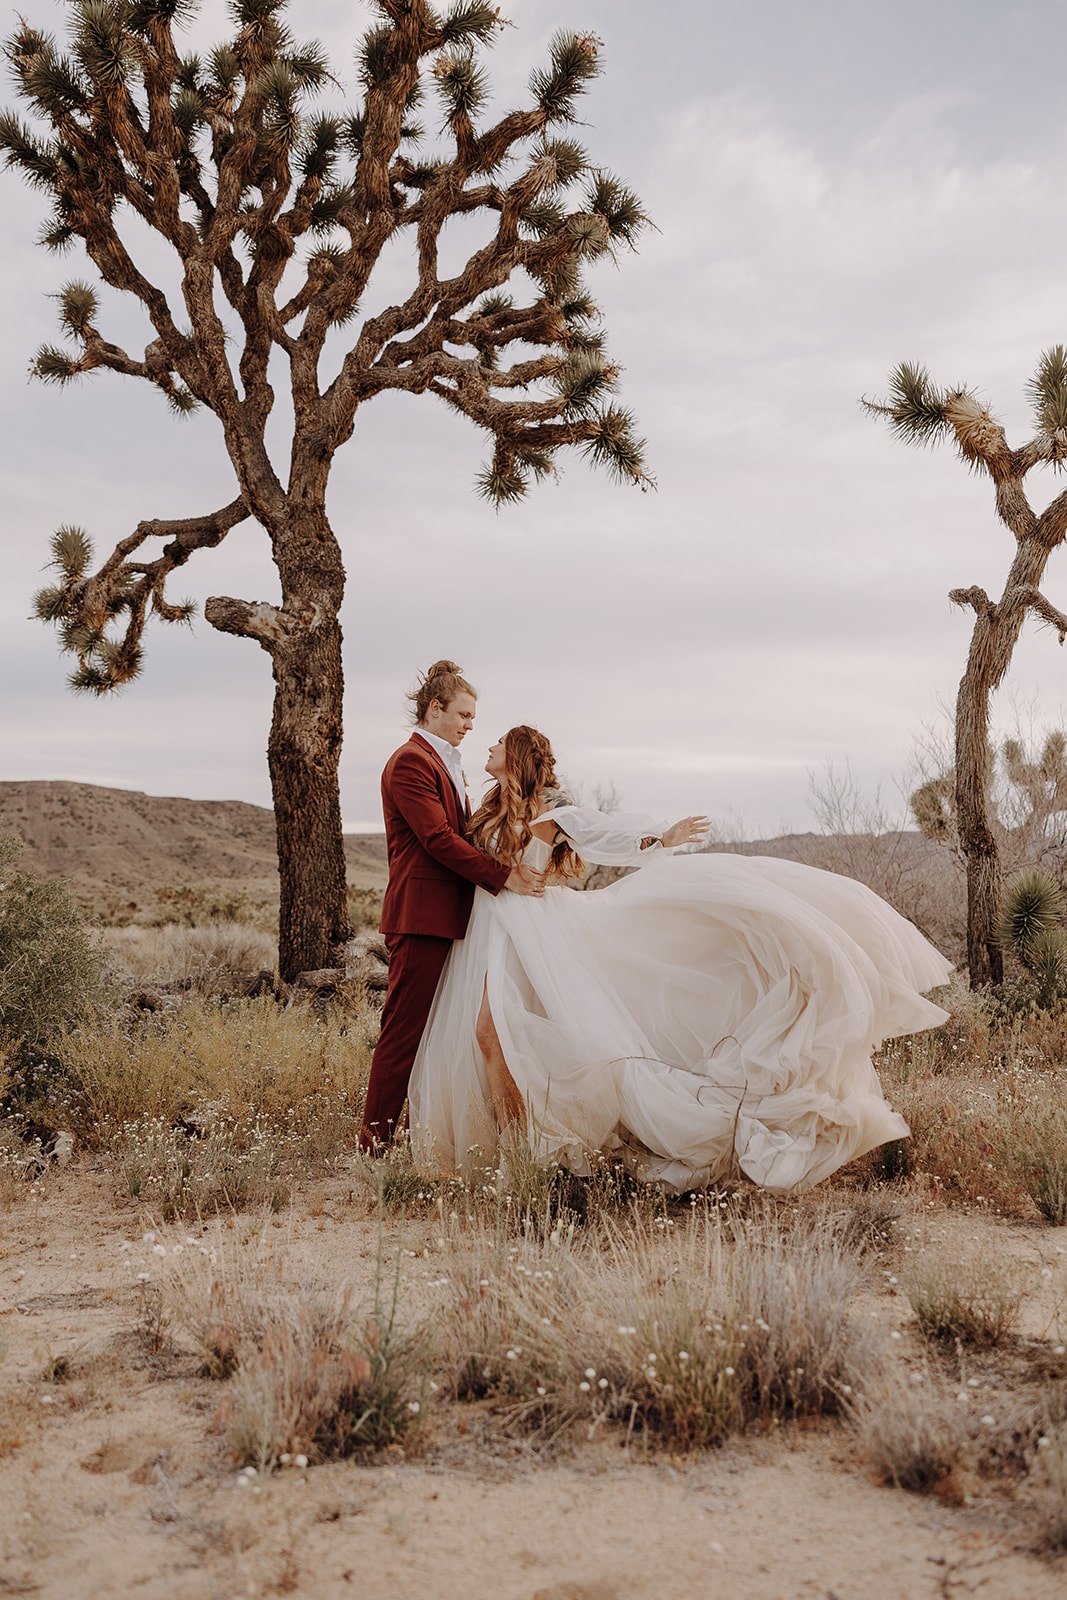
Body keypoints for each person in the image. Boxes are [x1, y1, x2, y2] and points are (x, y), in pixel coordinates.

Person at [407, 725, 953, 1192]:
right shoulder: (485, 806)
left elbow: (598, 830)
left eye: (499, 739)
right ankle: (520, 1149)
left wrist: (656, 838)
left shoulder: (549, 813)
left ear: (518, 755)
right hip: (491, 932)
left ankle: (526, 1152)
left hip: (533, 932)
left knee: (492, 1032)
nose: (488, 741)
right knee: (497, 1038)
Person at [358, 664, 544, 1153]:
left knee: (445, 1033)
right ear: (434, 709)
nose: (469, 724)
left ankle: (441, 1136)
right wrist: (504, 878)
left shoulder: (446, 762)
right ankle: (373, 1146)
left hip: (457, 919)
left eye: (473, 716)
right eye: (462, 714)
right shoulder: (410, 763)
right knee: (403, 1033)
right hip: (422, 917)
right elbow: (438, 839)